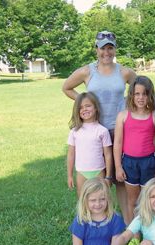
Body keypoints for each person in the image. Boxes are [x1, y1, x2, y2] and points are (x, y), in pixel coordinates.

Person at [62, 30, 136, 210]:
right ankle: (95, 220)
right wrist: (86, 104)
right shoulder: (87, 71)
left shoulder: (125, 72)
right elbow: (67, 87)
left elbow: (138, 93)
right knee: (97, 183)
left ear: (115, 49)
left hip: (119, 132)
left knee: (119, 180)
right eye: (102, 48)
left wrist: (128, 106)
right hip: (94, 133)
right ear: (96, 49)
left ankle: (126, 225)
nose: (106, 53)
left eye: (110, 48)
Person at [113, 75, 155, 226]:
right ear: (131, 95)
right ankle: (134, 232)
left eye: (145, 94)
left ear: (150, 95)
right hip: (129, 163)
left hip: (149, 163)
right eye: (137, 94)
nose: (141, 98)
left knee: (148, 199)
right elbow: (118, 142)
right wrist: (118, 167)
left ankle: (149, 229)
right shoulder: (123, 116)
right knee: (132, 201)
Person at [67, 92, 113, 197]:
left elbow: (108, 155)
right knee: (83, 200)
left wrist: (108, 176)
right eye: (81, 107)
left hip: (99, 171)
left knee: (100, 199)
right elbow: (70, 155)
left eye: (88, 106)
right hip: (81, 173)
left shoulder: (102, 131)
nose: (84, 109)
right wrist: (69, 175)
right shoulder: (74, 132)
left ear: (96, 108)